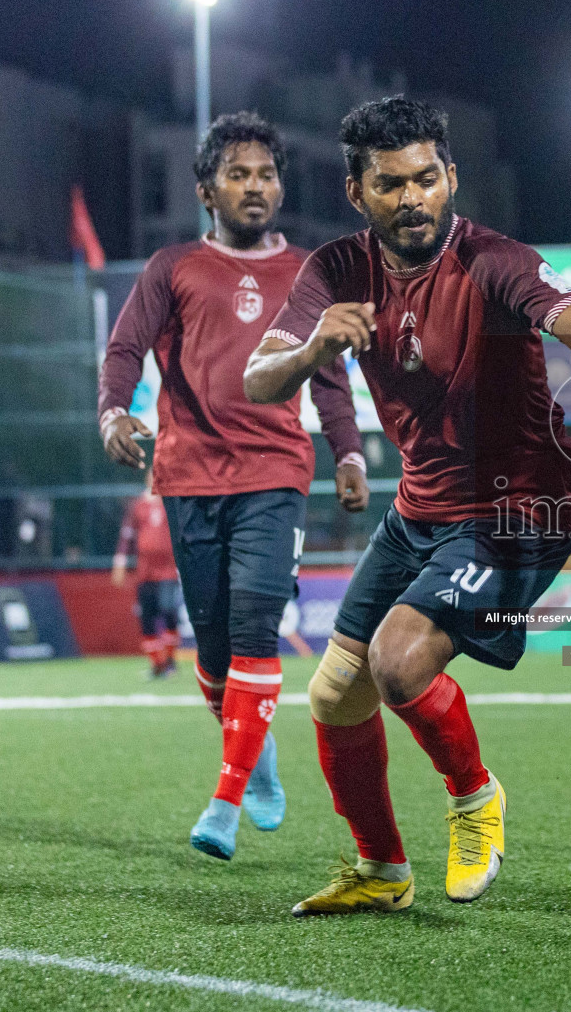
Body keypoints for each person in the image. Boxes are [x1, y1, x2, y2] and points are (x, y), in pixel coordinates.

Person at [243, 96, 571, 914]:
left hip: (519, 508)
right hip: (420, 512)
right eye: (392, 184)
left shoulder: (492, 259)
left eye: (428, 179)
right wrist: (311, 349)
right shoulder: (332, 272)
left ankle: (474, 799)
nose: (414, 199)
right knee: (333, 696)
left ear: (452, 177)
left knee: (397, 663)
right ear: (356, 192)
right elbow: (258, 384)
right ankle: (381, 870)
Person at [98, 111, 368, 862]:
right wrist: (113, 412)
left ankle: (224, 801)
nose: (256, 186)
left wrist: (346, 453)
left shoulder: (310, 273)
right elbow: (123, 347)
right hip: (187, 477)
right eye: (239, 174)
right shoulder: (172, 267)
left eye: (267, 174)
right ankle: (256, 753)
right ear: (206, 191)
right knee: (213, 652)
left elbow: (331, 375)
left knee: (253, 628)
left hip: (275, 474)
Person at [113, 468, 182, 679]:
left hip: (169, 570)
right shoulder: (139, 505)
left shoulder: (172, 503)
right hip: (145, 571)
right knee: (147, 616)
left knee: (169, 611)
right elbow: (127, 535)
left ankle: (169, 660)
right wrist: (120, 562)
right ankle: (157, 665)